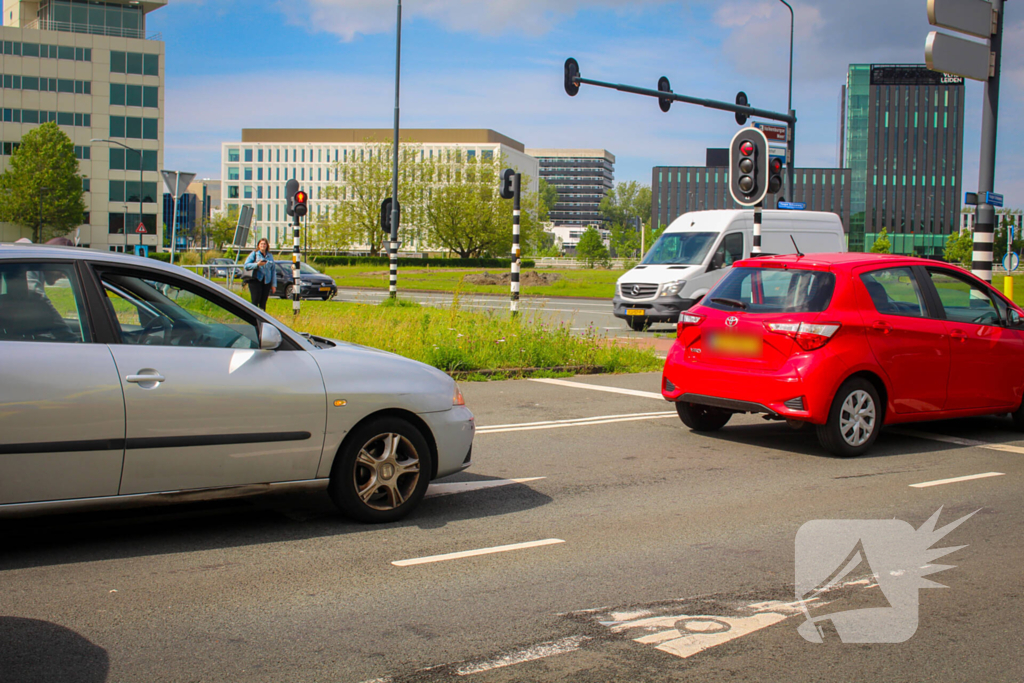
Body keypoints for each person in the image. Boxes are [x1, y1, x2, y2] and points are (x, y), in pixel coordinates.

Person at [243, 238, 276, 310]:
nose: (263, 245)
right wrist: (257, 264)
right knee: (255, 301)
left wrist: (273, 285)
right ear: (258, 245)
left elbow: (273, 270)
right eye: (261, 244)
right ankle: (253, 317)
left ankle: (261, 319)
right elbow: (246, 265)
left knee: (263, 302)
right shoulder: (254, 254)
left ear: (267, 245)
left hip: (266, 281)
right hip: (256, 280)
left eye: (264, 244)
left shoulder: (270, 256)